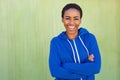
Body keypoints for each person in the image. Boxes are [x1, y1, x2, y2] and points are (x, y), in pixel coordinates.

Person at [49, 3, 101, 80]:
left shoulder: (90, 38)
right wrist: (85, 69)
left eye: (76, 18)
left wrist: (66, 65)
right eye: (67, 18)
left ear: (80, 20)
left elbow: (96, 67)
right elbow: (55, 71)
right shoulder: (56, 42)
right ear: (62, 20)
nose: (71, 22)